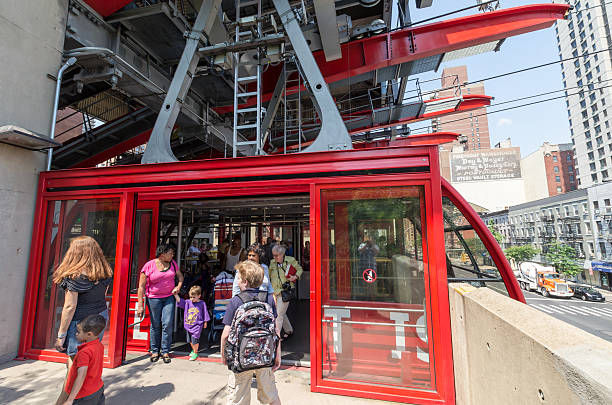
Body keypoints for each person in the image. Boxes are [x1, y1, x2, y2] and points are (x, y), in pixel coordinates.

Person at [221, 261, 281, 405]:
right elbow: (276, 330)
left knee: (238, 397)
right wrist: (277, 355)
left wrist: (224, 355)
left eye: (238, 278)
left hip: (240, 358)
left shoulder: (236, 301)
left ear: (244, 282)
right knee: (270, 395)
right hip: (265, 355)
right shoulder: (268, 299)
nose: (237, 281)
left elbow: (226, 334)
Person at [53, 236, 113, 370]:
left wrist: (61, 336)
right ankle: (91, 388)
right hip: (100, 317)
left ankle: (73, 390)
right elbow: (102, 296)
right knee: (91, 356)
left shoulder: (74, 276)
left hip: (80, 322)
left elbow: (69, 307)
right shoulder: (104, 272)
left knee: (76, 361)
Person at [136, 243, 184, 364]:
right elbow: (141, 287)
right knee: (155, 324)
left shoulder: (173, 264)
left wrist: (178, 287)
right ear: (162, 255)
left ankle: (165, 351)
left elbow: (180, 277)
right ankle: (155, 350)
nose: (172, 255)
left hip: (169, 297)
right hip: (153, 298)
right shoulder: (149, 265)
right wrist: (140, 305)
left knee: (167, 323)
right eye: (170, 253)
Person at [56, 314, 107, 405]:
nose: (76, 334)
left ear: (89, 334)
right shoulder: (99, 346)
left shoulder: (83, 353)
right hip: (97, 389)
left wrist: (70, 399)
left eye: (78, 332)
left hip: (83, 396)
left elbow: (81, 375)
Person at [269, 244, 303, 341]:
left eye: (276, 255)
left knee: (278, 315)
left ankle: (276, 337)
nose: (274, 257)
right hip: (275, 292)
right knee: (282, 312)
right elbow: (270, 275)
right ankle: (288, 330)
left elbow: (300, 269)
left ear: (282, 254)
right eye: (273, 255)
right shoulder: (272, 263)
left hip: (285, 291)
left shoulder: (290, 260)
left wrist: (295, 277)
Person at [174, 285, 209, 361]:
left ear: (199, 296)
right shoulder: (188, 303)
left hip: (197, 325)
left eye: (194, 297)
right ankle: (193, 350)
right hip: (188, 325)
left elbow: (205, 313)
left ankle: (195, 352)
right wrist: (175, 294)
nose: (192, 299)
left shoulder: (202, 304)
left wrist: (205, 322)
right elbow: (180, 301)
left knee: (195, 340)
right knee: (189, 340)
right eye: (190, 297)